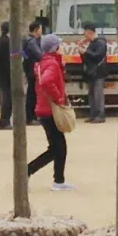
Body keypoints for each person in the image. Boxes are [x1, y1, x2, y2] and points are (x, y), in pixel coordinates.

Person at [28, 33, 75, 191]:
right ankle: (29, 171)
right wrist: (59, 98)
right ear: (55, 48)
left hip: (43, 109)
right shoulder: (52, 64)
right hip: (49, 110)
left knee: (57, 147)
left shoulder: (43, 62)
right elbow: (47, 81)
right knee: (58, 148)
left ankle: (58, 180)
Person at [80, 21, 109, 124]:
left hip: (98, 72)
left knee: (98, 94)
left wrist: (86, 52)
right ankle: (93, 114)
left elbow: (97, 56)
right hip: (91, 72)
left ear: (89, 32)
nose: (84, 36)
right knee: (91, 94)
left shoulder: (100, 43)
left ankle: (100, 115)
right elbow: (87, 59)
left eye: (85, 33)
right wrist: (82, 50)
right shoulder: (91, 44)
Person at [0, 22, 13, 130]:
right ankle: (4, 121)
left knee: (7, 97)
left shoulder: (1, 41)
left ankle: (5, 120)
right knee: (7, 98)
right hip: (6, 74)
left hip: (3, 73)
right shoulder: (6, 42)